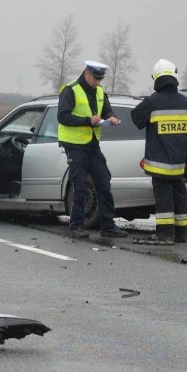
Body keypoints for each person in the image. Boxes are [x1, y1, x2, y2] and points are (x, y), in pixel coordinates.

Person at [131, 59, 187, 244]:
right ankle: (181, 234)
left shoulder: (152, 102)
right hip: (178, 164)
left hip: (158, 164)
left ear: (156, 79)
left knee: (164, 199)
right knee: (180, 196)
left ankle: (165, 234)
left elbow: (135, 117)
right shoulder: (186, 102)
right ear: (175, 77)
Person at [57, 60, 128, 240]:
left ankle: (108, 225)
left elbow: (107, 110)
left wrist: (111, 118)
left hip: (92, 144)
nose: (98, 82)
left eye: (100, 79)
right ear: (87, 74)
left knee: (104, 182)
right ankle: (76, 225)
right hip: (75, 145)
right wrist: (88, 121)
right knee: (79, 186)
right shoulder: (71, 90)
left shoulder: (100, 92)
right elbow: (62, 117)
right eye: (95, 79)